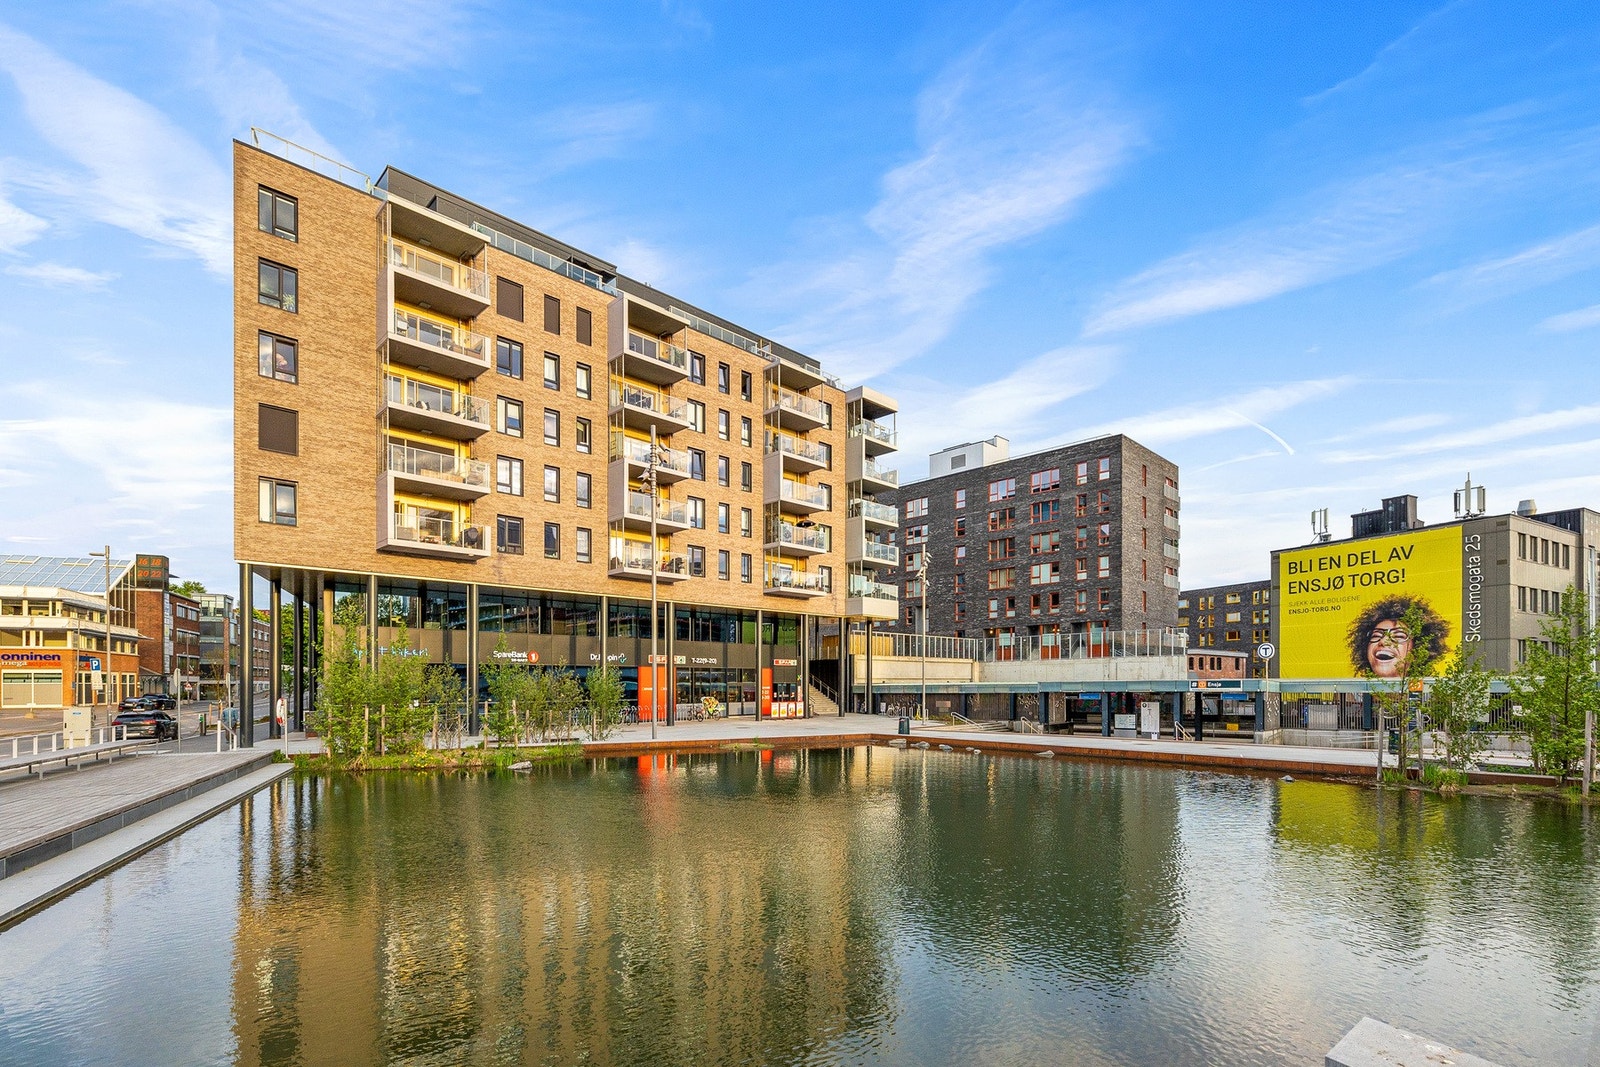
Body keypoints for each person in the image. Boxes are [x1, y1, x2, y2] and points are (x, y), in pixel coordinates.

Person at [1345, 595, 1449, 677]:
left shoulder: (1432, 694)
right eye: (1376, 635)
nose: (1384, 641)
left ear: (1419, 648)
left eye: (1398, 636)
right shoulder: (1352, 693)